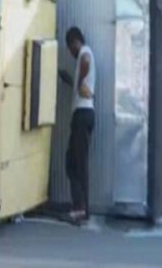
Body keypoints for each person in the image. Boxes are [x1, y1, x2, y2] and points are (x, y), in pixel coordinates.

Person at [58, 26, 96, 223]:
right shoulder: (82, 55)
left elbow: (86, 63)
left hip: (82, 115)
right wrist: (71, 81)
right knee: (73, 161)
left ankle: (81, 209)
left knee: (77, 163)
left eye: (69, 47)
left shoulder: (84, 52)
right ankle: (80, 207)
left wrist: (80, 81)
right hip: (83, 115)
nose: (70, 52)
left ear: (74, 42)